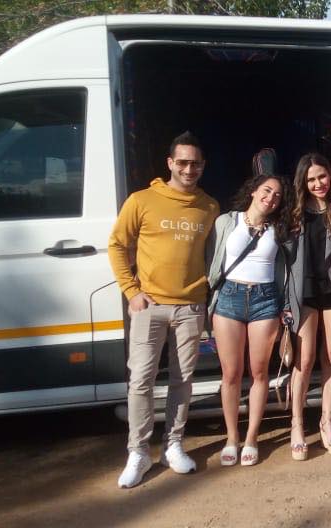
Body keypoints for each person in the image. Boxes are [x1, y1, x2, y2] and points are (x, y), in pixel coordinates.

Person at [108, 131, 220, 488]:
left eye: (196, 163)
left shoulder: (209, 207)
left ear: (203, 166)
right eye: (182, 162)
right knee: (141, 381)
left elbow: (212, 256)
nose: (189, 169)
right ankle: (138, 452)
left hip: (190, 307)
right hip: (150, 306)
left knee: (182, 381)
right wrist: (131, 292)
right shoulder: (142, 201)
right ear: (170, 163)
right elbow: (117, 245)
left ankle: (173, 445)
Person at [207, 173, 292, 467]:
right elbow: (211, 260)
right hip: (229, 297)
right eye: (266, 190)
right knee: (231, 374)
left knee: (259, 372)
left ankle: (252, 437)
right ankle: (232, 437)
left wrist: (284, 305)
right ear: (253, 190)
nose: (271, 198)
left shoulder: (279, 228)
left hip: (265, 299)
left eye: (277, 195)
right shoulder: (226, 221)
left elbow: (285, 268)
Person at [286, 153, 331, 460]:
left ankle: (327, 421)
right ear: (303, 182)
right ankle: (297, 424)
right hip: (305, 292)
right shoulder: (294, 213)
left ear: (330, 175)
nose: (318, 184)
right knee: (304, 360)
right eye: (311, 179)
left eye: (322, 176)